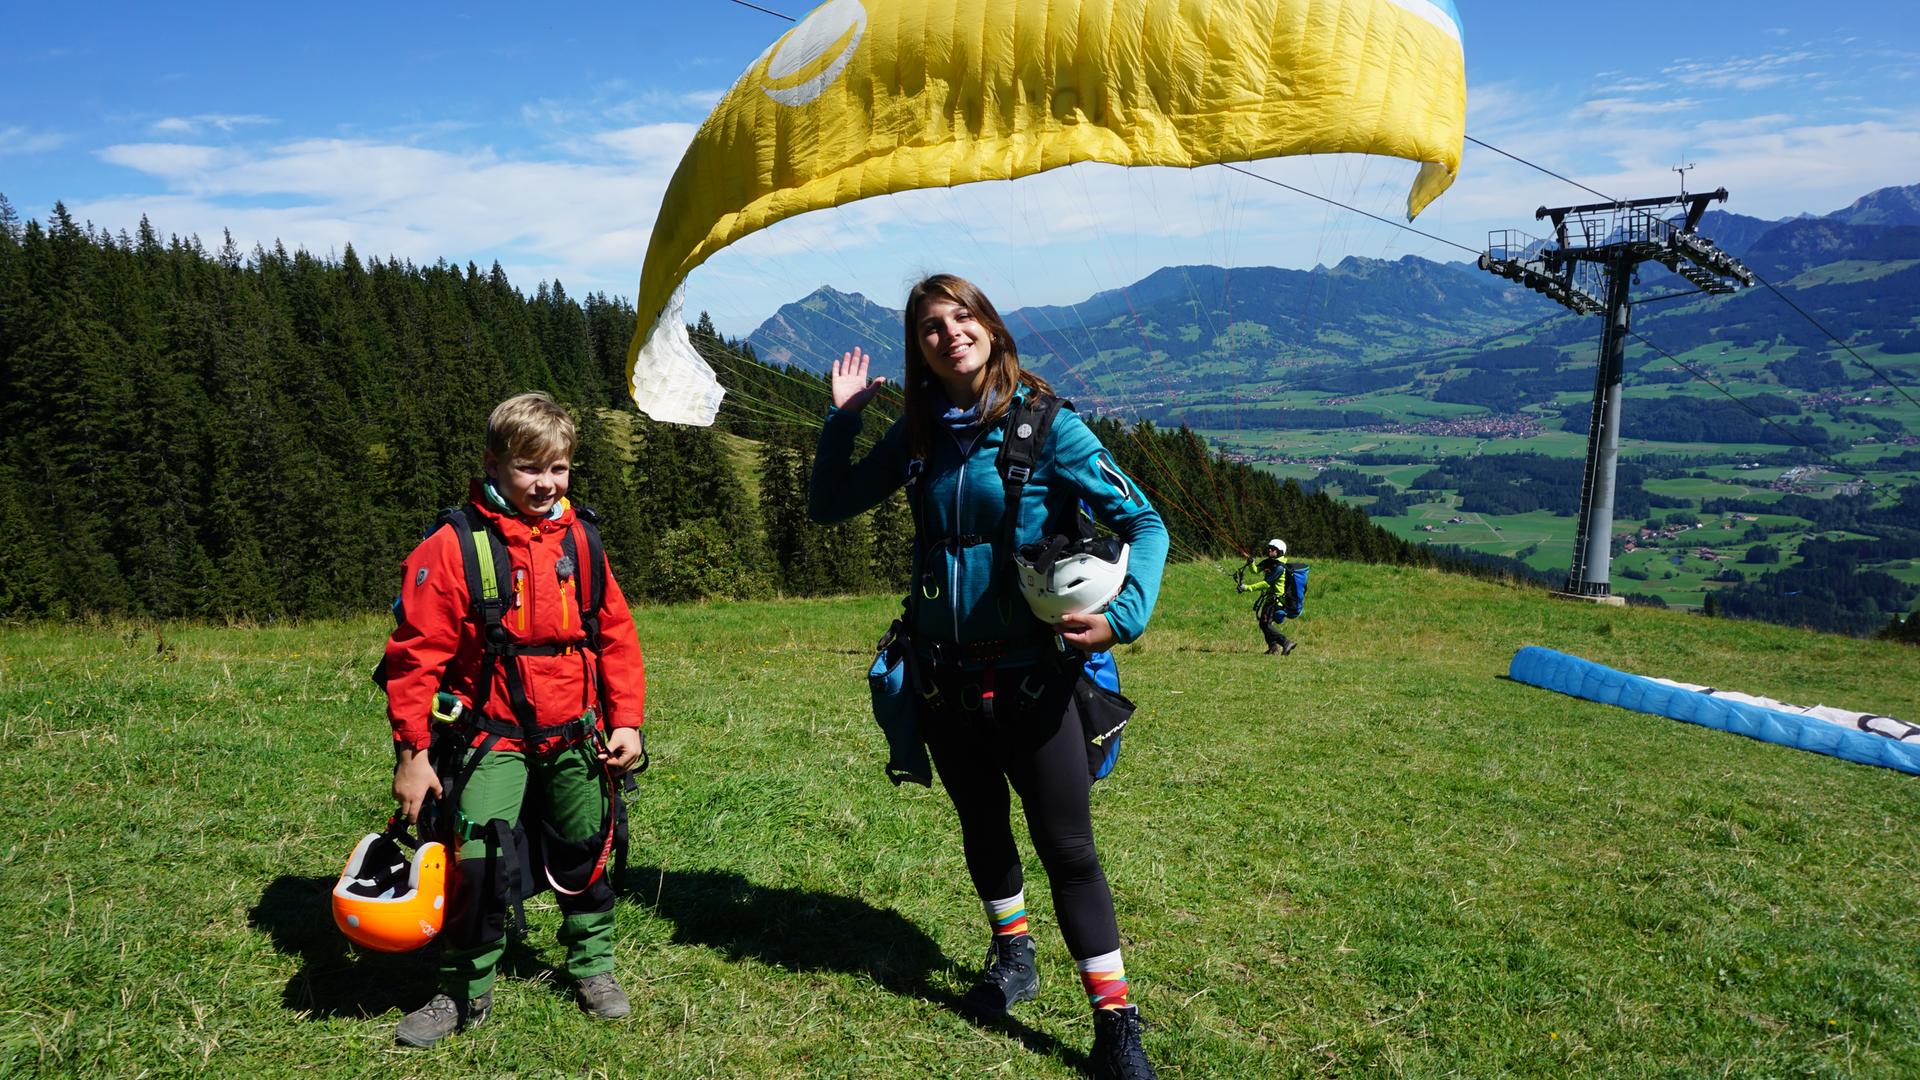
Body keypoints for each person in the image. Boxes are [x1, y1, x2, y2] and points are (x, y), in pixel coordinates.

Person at [810, 273, 1170, 1080]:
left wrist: (1125, 615)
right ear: (920, 350)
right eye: (931, 326)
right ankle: (1015, 955)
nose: (949, 333)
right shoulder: (917, 436)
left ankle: (1115, 1023)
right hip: (942, 679)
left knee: (1068, 849)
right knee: (982, 828)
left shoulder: (1052, 430)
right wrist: (842, 420)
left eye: (961, 316)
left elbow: (1144, 522)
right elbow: (828, 503)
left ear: (991, 328)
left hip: (1031, 678)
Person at [383, 392, 648, 1048]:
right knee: (475, 859)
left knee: (587, 848)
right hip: (490, 733)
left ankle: (593, 969)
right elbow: (414, 659)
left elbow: (613, 633)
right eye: (530, 468)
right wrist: (413, 754)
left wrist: (628, 722)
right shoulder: (452, 547)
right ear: (494, 463)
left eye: (558, 469)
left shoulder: (581, 539)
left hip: (577, 730)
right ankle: (463, 992)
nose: (545, 484)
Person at [1239, 538, 1297, 655]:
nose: (1270, 550)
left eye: (1273, 549)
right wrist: (1251, 563)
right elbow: (1255, 571)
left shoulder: (1280, 567)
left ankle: (1286, 642)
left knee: (1265, 624)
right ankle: (1273, 648)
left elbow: (1266, 583)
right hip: (1269, 598)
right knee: (1264, 624)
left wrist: (1247, 588)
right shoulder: (1268, 562)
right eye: (1269, 548)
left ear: (1280, 551)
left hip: (1276, 600)